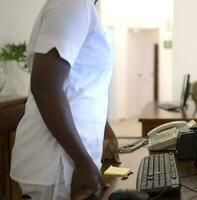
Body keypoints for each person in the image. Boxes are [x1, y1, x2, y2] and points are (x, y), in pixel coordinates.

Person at [10, 0, 118, 199]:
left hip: (66, 162)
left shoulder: (83, 8)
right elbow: (45, 87)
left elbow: (81, 84)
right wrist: (82, 162)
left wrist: (105, 130)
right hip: (57, 166)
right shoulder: (72, 3)